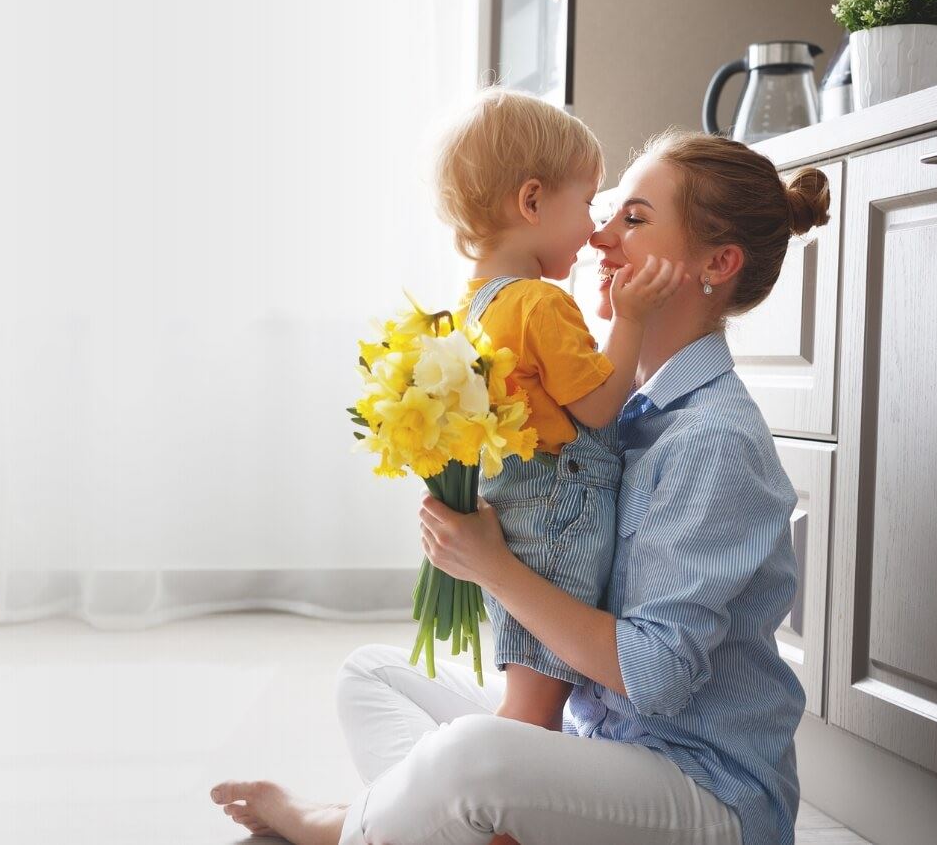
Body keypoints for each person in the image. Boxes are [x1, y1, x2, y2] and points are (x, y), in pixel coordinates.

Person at [210, 128, 831, 845]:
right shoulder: (618, 407)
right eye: (605, 214)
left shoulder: (713, 439)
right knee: (372, 674)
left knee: (471, 759)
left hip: (701, 790)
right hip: (597, 741)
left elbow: (654, 676)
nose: (599, 237)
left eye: (632, 219)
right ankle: (441, 826)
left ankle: (331, 826)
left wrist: (493, 568)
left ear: (716, 264)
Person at [439, 88, 683, 734]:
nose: (595, 227)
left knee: (528, 698)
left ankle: (484, 799)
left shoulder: (475, 305)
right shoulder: (539, 303)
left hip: (521, 509)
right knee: (533, 713)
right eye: (588, 203)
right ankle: (500, 817)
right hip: (558, 516)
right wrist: (631, 319)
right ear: (532, 200)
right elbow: (600, 408)